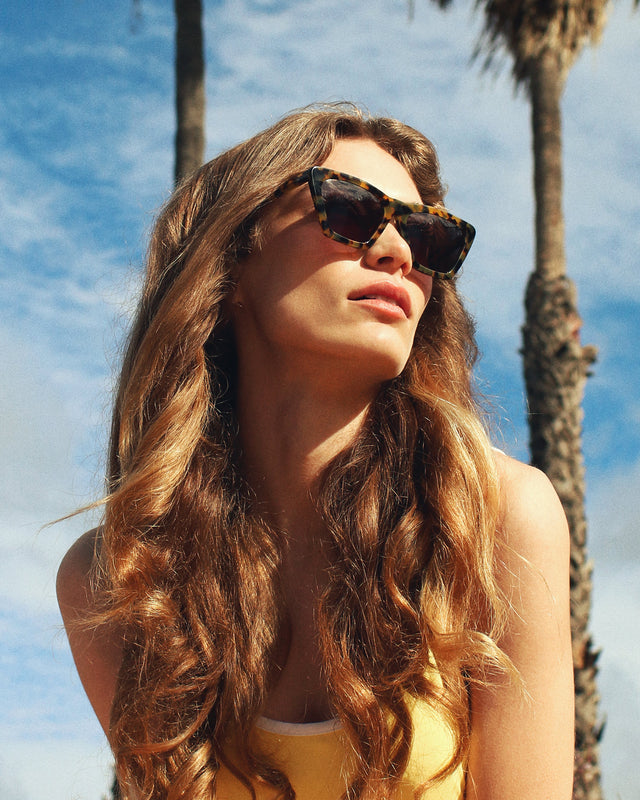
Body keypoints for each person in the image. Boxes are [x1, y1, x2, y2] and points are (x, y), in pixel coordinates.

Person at [57, 104, 574, 800]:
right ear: (234, 259)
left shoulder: (494, 521)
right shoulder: (119, 578)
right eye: (352, 211)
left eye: (426, 236)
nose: (398, 252)